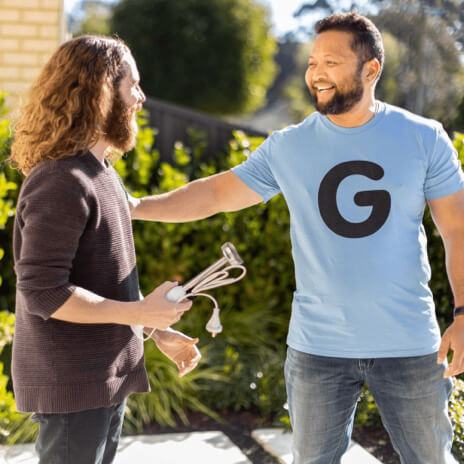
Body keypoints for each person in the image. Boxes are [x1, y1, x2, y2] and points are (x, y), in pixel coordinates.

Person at [124, 12, 464, 464]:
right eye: (312, 61)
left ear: (371, 70)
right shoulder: (290, 145)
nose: (317, 73)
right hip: (318, 349)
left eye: (332, 62)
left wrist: (463, 312)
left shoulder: (424, 138)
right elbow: (215, 193)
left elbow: (457, 230)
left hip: (410, 347)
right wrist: (134, 208)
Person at [9, 35, 200, 464]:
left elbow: (98, 281)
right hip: (74, 389)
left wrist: (153, 328)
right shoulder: (61, 179)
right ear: (101, 91)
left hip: (102, 382)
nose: (141, 96)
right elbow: (43, 291)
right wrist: (140, 314)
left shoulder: (102, 175)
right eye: (133, 84)